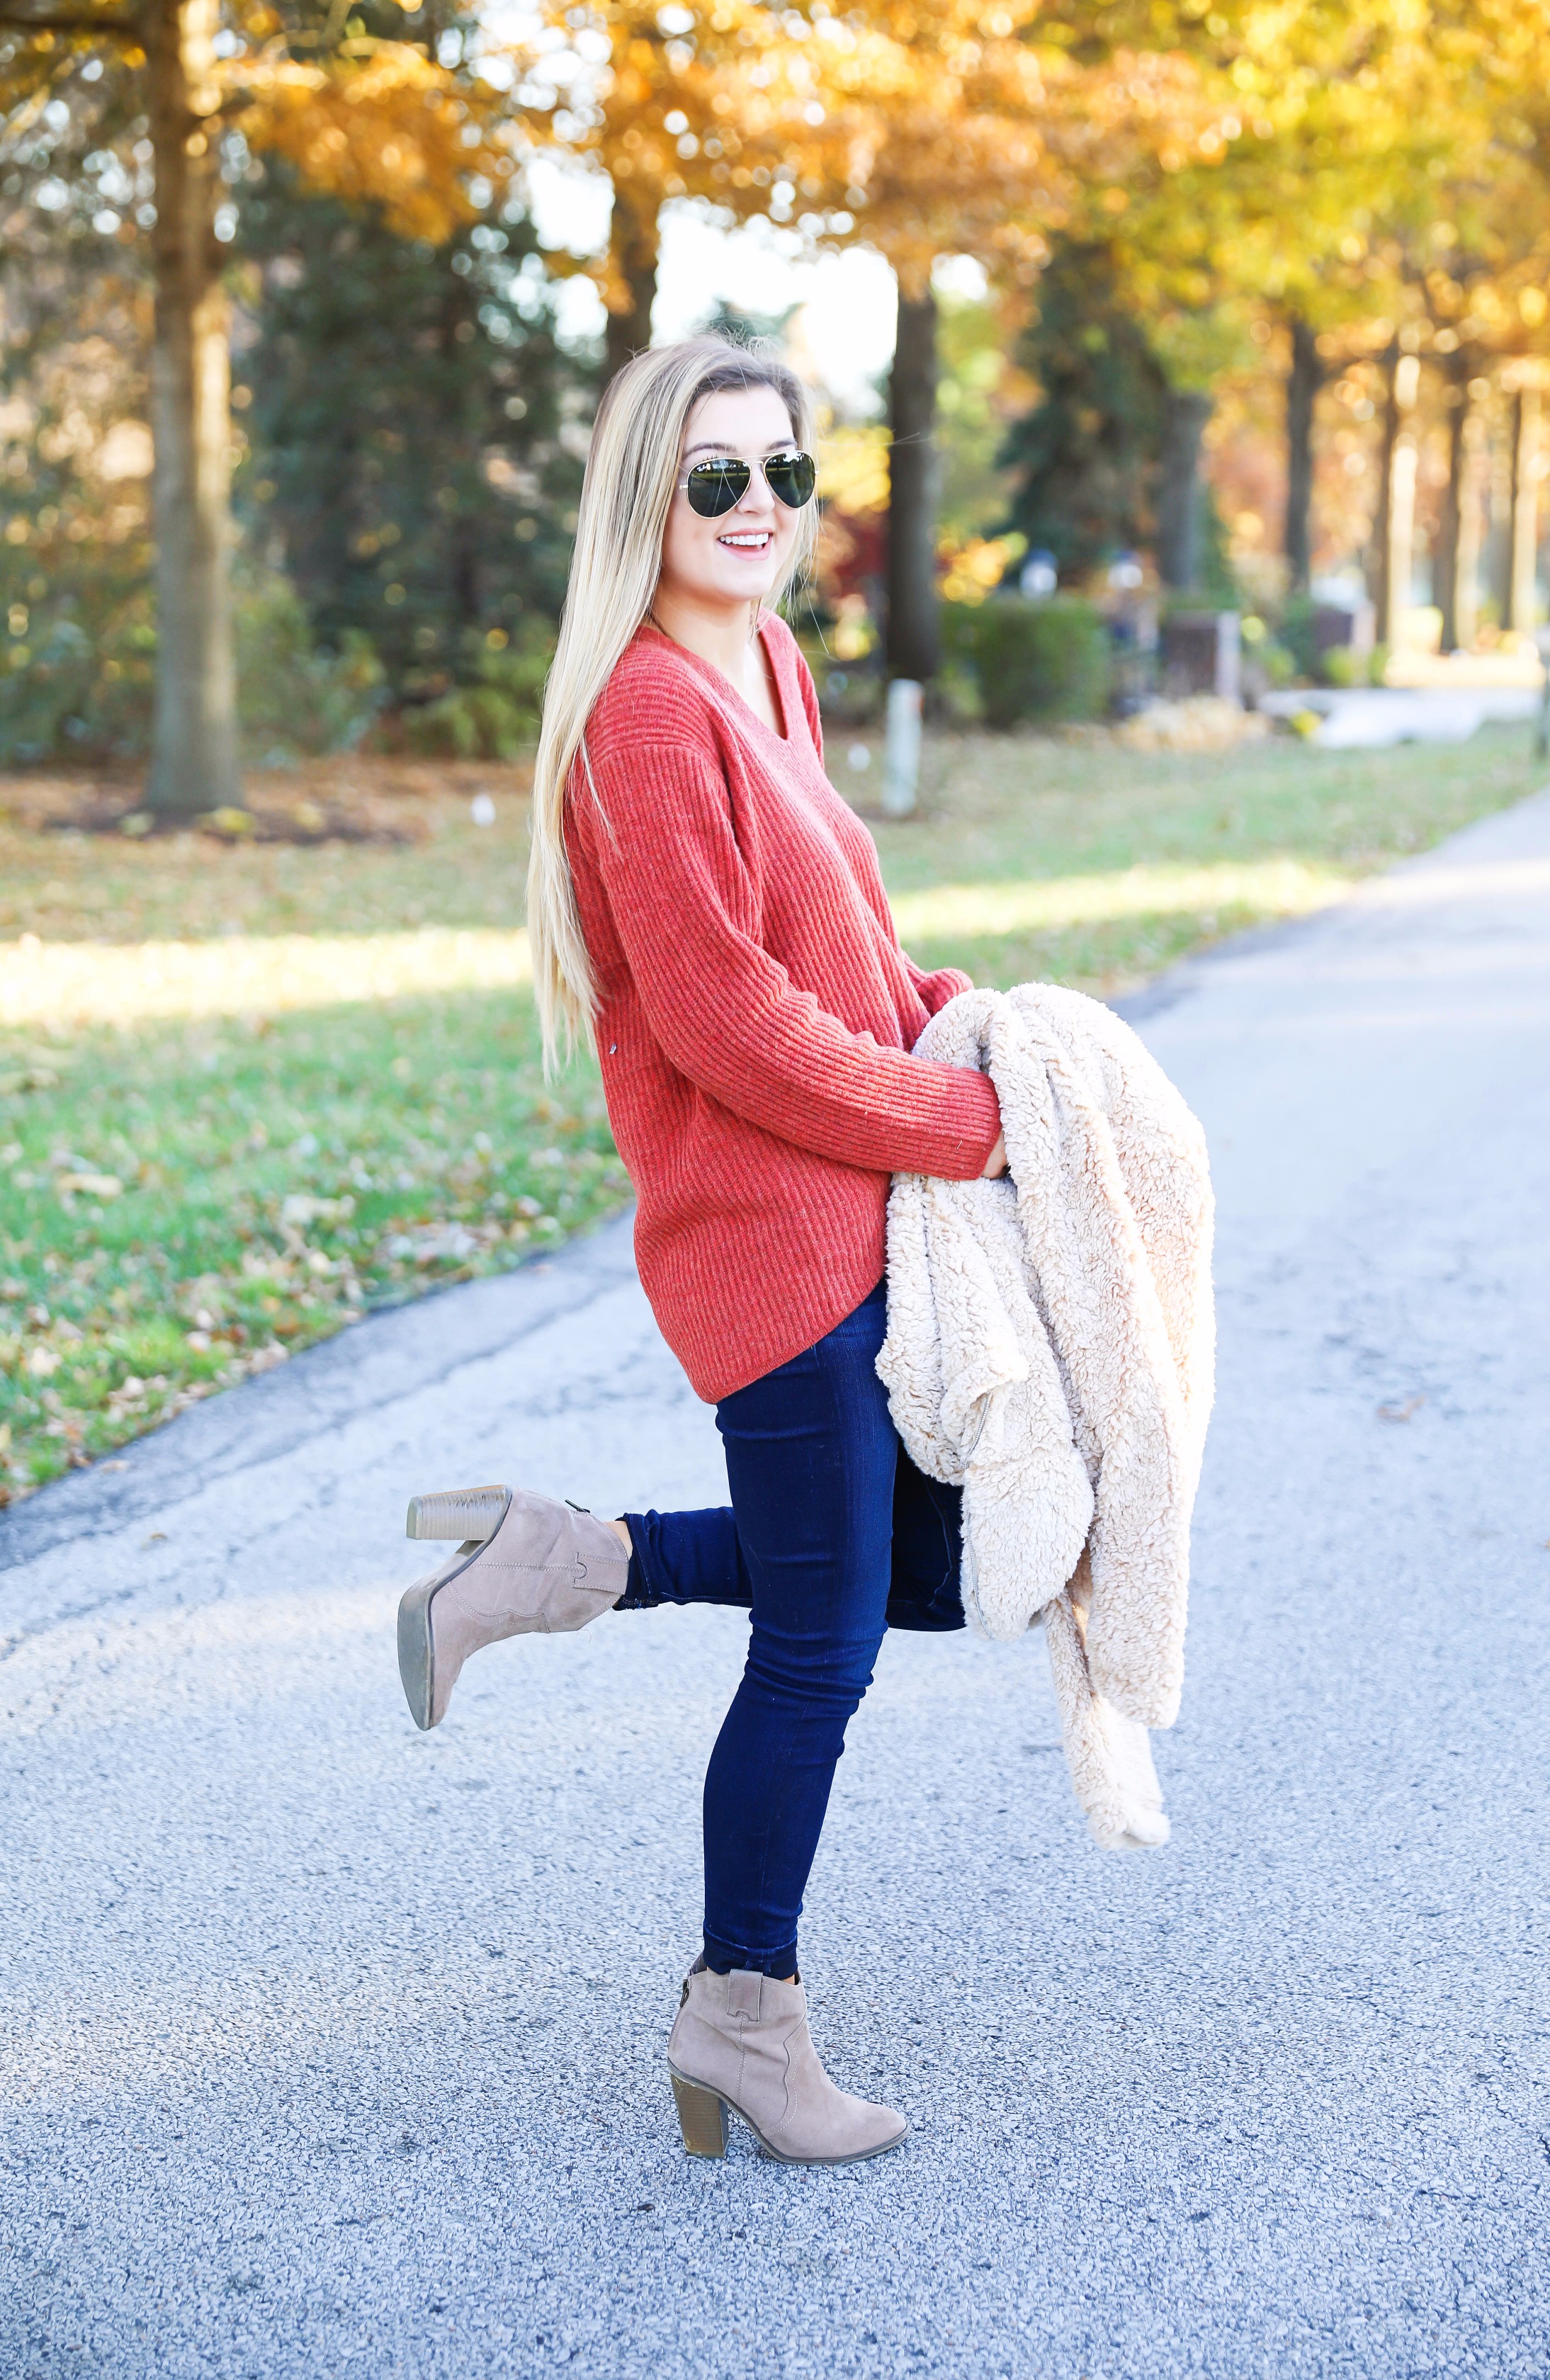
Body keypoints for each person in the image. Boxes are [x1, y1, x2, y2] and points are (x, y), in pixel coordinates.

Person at [397, 336, 1007, 2168]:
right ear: (645, 497)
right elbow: (730, 1022)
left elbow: (842, 952)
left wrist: (963, 1023)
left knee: (939, 1566)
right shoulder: (645, 718)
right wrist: (955, 1125)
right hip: (767, 1247)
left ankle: (561, 1556)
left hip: (860, 1209)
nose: (757, 508)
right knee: (824, 1647)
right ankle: (743, 2017)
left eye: (784, 473)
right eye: (715, 475)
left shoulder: (770, 670)